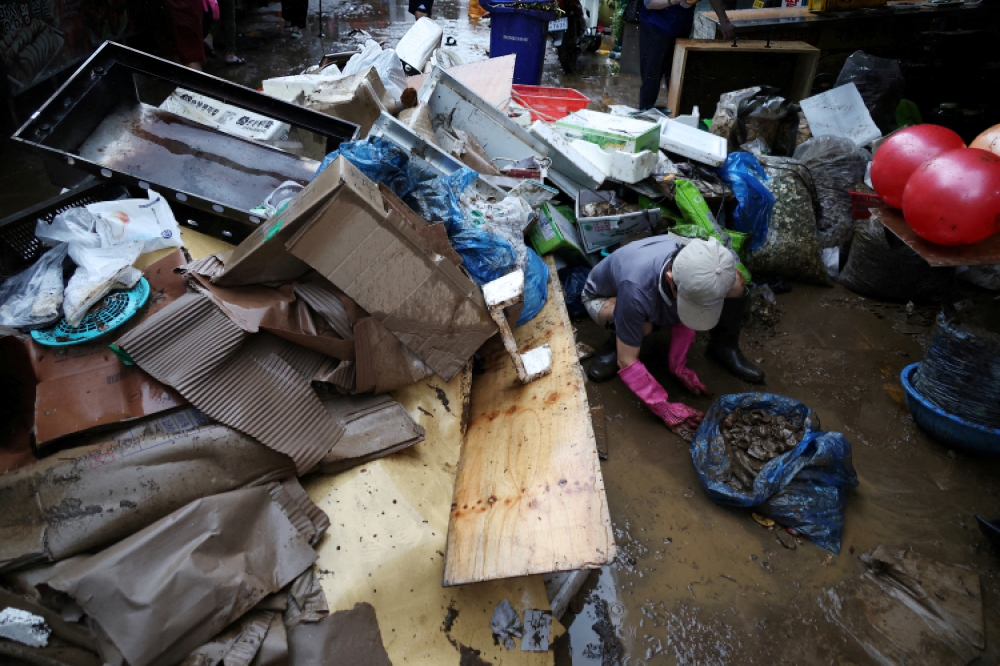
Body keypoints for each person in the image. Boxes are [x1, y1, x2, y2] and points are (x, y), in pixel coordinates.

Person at [582, 236, 764, 437]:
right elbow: (626, 361)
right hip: (605, 297)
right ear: (670, 278)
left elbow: (697, 307)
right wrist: (662, 406)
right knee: (643, 327)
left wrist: (678, 364)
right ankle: (618, 338)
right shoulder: (635, 291)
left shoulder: (713, 264)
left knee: (738, 288)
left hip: (656, 288)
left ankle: (722, 348)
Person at [638, 0, 734, 110]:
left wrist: (724, 21)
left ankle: (677, 119)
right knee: (651, 80)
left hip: (681, 28)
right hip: (655, 27)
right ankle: (644, 115)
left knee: (678, 82)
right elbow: (650, 3)